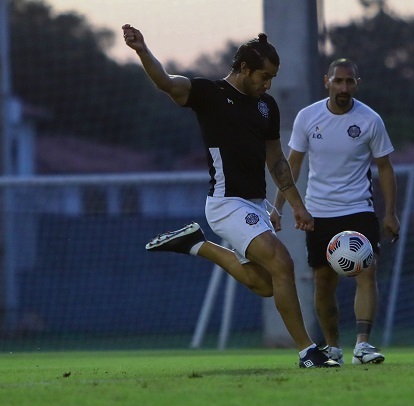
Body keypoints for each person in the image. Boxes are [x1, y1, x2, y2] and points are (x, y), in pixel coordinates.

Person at [121, 24, 338, 368]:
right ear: (244, 69)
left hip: (254, 204)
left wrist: (297, 206)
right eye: (263, 76)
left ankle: (197, 244)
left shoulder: (266, 107)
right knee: (283, 262)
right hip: (225, 203)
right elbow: (166, 82)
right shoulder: (208, 93)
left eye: (273, 78)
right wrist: (142, 50)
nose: (268, 85)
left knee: (266, 284)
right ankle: (308, 351)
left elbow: (276, 161)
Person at [271, 58, 400, 365]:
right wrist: (277, 207)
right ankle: (333, 349)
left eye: (350, 81)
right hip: (319, 213)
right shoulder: (308, 117)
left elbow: (385, 168)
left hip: (358, 210)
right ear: (326, 82)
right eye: (338, 81)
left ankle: (364, 346)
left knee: (367, 273)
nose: (344, 87)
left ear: (358, 83)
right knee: (323, 282)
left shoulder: (370, 120)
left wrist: (391, 213)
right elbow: (293, 165)